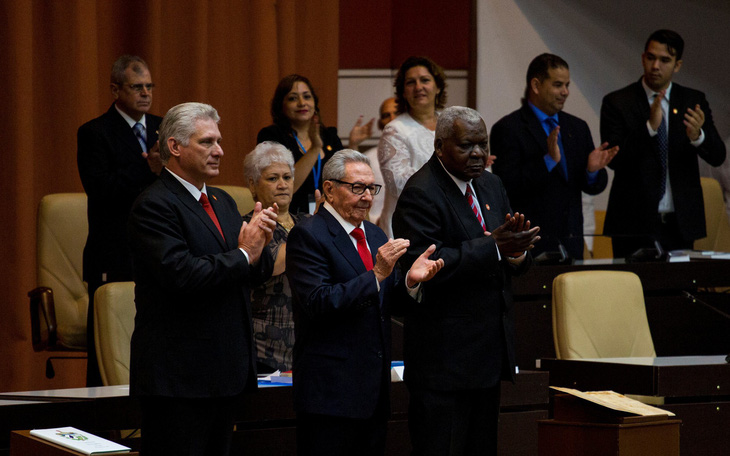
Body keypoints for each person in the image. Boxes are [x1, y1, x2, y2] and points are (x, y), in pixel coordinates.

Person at [127, 102, 277, 456]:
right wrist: (244, 253)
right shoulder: (154, 205)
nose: (219, 150)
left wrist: (260, 248)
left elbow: (248, 271)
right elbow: (181, 274)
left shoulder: (223, 200)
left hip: (225, 374)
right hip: (179, 380)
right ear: (175, 147)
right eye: (207, 142)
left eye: (219, 141)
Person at [392, 106, 540, 456]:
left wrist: (516, 253)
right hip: (443, 363)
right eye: (466, 146)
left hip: (488, 356)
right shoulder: (421, 193)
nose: (477, 154)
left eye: (482, 144)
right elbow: (425, 265)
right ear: (440, 146)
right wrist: (494, 247)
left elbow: (508, 251)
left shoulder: (491, 183)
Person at [286, 150, 444, 456]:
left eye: (372, 188)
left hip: (373, 393)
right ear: (329, 189)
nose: (368, 197)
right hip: (329, 396)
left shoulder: (373, 234)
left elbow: (386, 301)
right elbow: (319, 302)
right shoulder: (308, 235)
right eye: (357, 187)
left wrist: (410, 281)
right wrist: (377, 274)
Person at [601, 29, 726, 258]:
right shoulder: (618, 102)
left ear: (677, 65)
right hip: (632, 224)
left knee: (683, 292)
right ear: (643, 58)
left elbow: (718, 156)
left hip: (681, 223)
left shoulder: (692, 101)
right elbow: (614, 160)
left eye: (665, 60)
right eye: (651, 58)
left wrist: (698, 137)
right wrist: (649, 128)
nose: (655, 65)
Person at [77, 55, 163, 386]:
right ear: (116, 89)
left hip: (155, 249)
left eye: (149, 86)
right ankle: (100, 425)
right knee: (105, 352)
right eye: (136, 87)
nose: (145, 93)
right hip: (113, 250)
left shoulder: (162, 127)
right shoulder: (95, 133)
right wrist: (147, 167)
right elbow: (101, 190)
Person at [491, 54, 617, 260]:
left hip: (572, 241)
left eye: (567, 85)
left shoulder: (577, 127)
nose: (565, 92)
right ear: (536, 85)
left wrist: (592, 171)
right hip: (531, 245)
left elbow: (593, 186)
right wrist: (548, 161)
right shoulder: (508, 129)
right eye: (558, 85)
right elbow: (508, 188)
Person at [257, 74, 374, 216]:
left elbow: (347, 181)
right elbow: (284, 187)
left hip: (331, 215)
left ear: (315, 103)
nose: (302, 103)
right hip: (289, 216)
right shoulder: (272, 137)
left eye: (307, 96)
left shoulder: (329, 135)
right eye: (293, 98)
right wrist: (315, 148)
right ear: (281, 105)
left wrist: (353, 145)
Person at [243, 141, 300, 373]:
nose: (282, 185)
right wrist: (316, 232)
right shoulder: (246, 226)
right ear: (253, 185)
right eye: (272, 178)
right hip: (264, 346)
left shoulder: (306, 221)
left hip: (308, 344)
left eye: (287, 177)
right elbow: (270, 266)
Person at [377, 56, 447, 238]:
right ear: (403, 92)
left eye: (425, 80)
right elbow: (398, 183)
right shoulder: (395, 130)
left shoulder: (452, 124)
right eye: (410, 82)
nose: (418, 87)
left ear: (438, 87)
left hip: (448, 220)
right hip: (409, 225)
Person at [363, 97, 398, 224]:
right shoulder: (368, 159)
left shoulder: (421, 154)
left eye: (397, 113)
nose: (392, 119)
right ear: (380, 123)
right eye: (386, 115)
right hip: (375, 230)